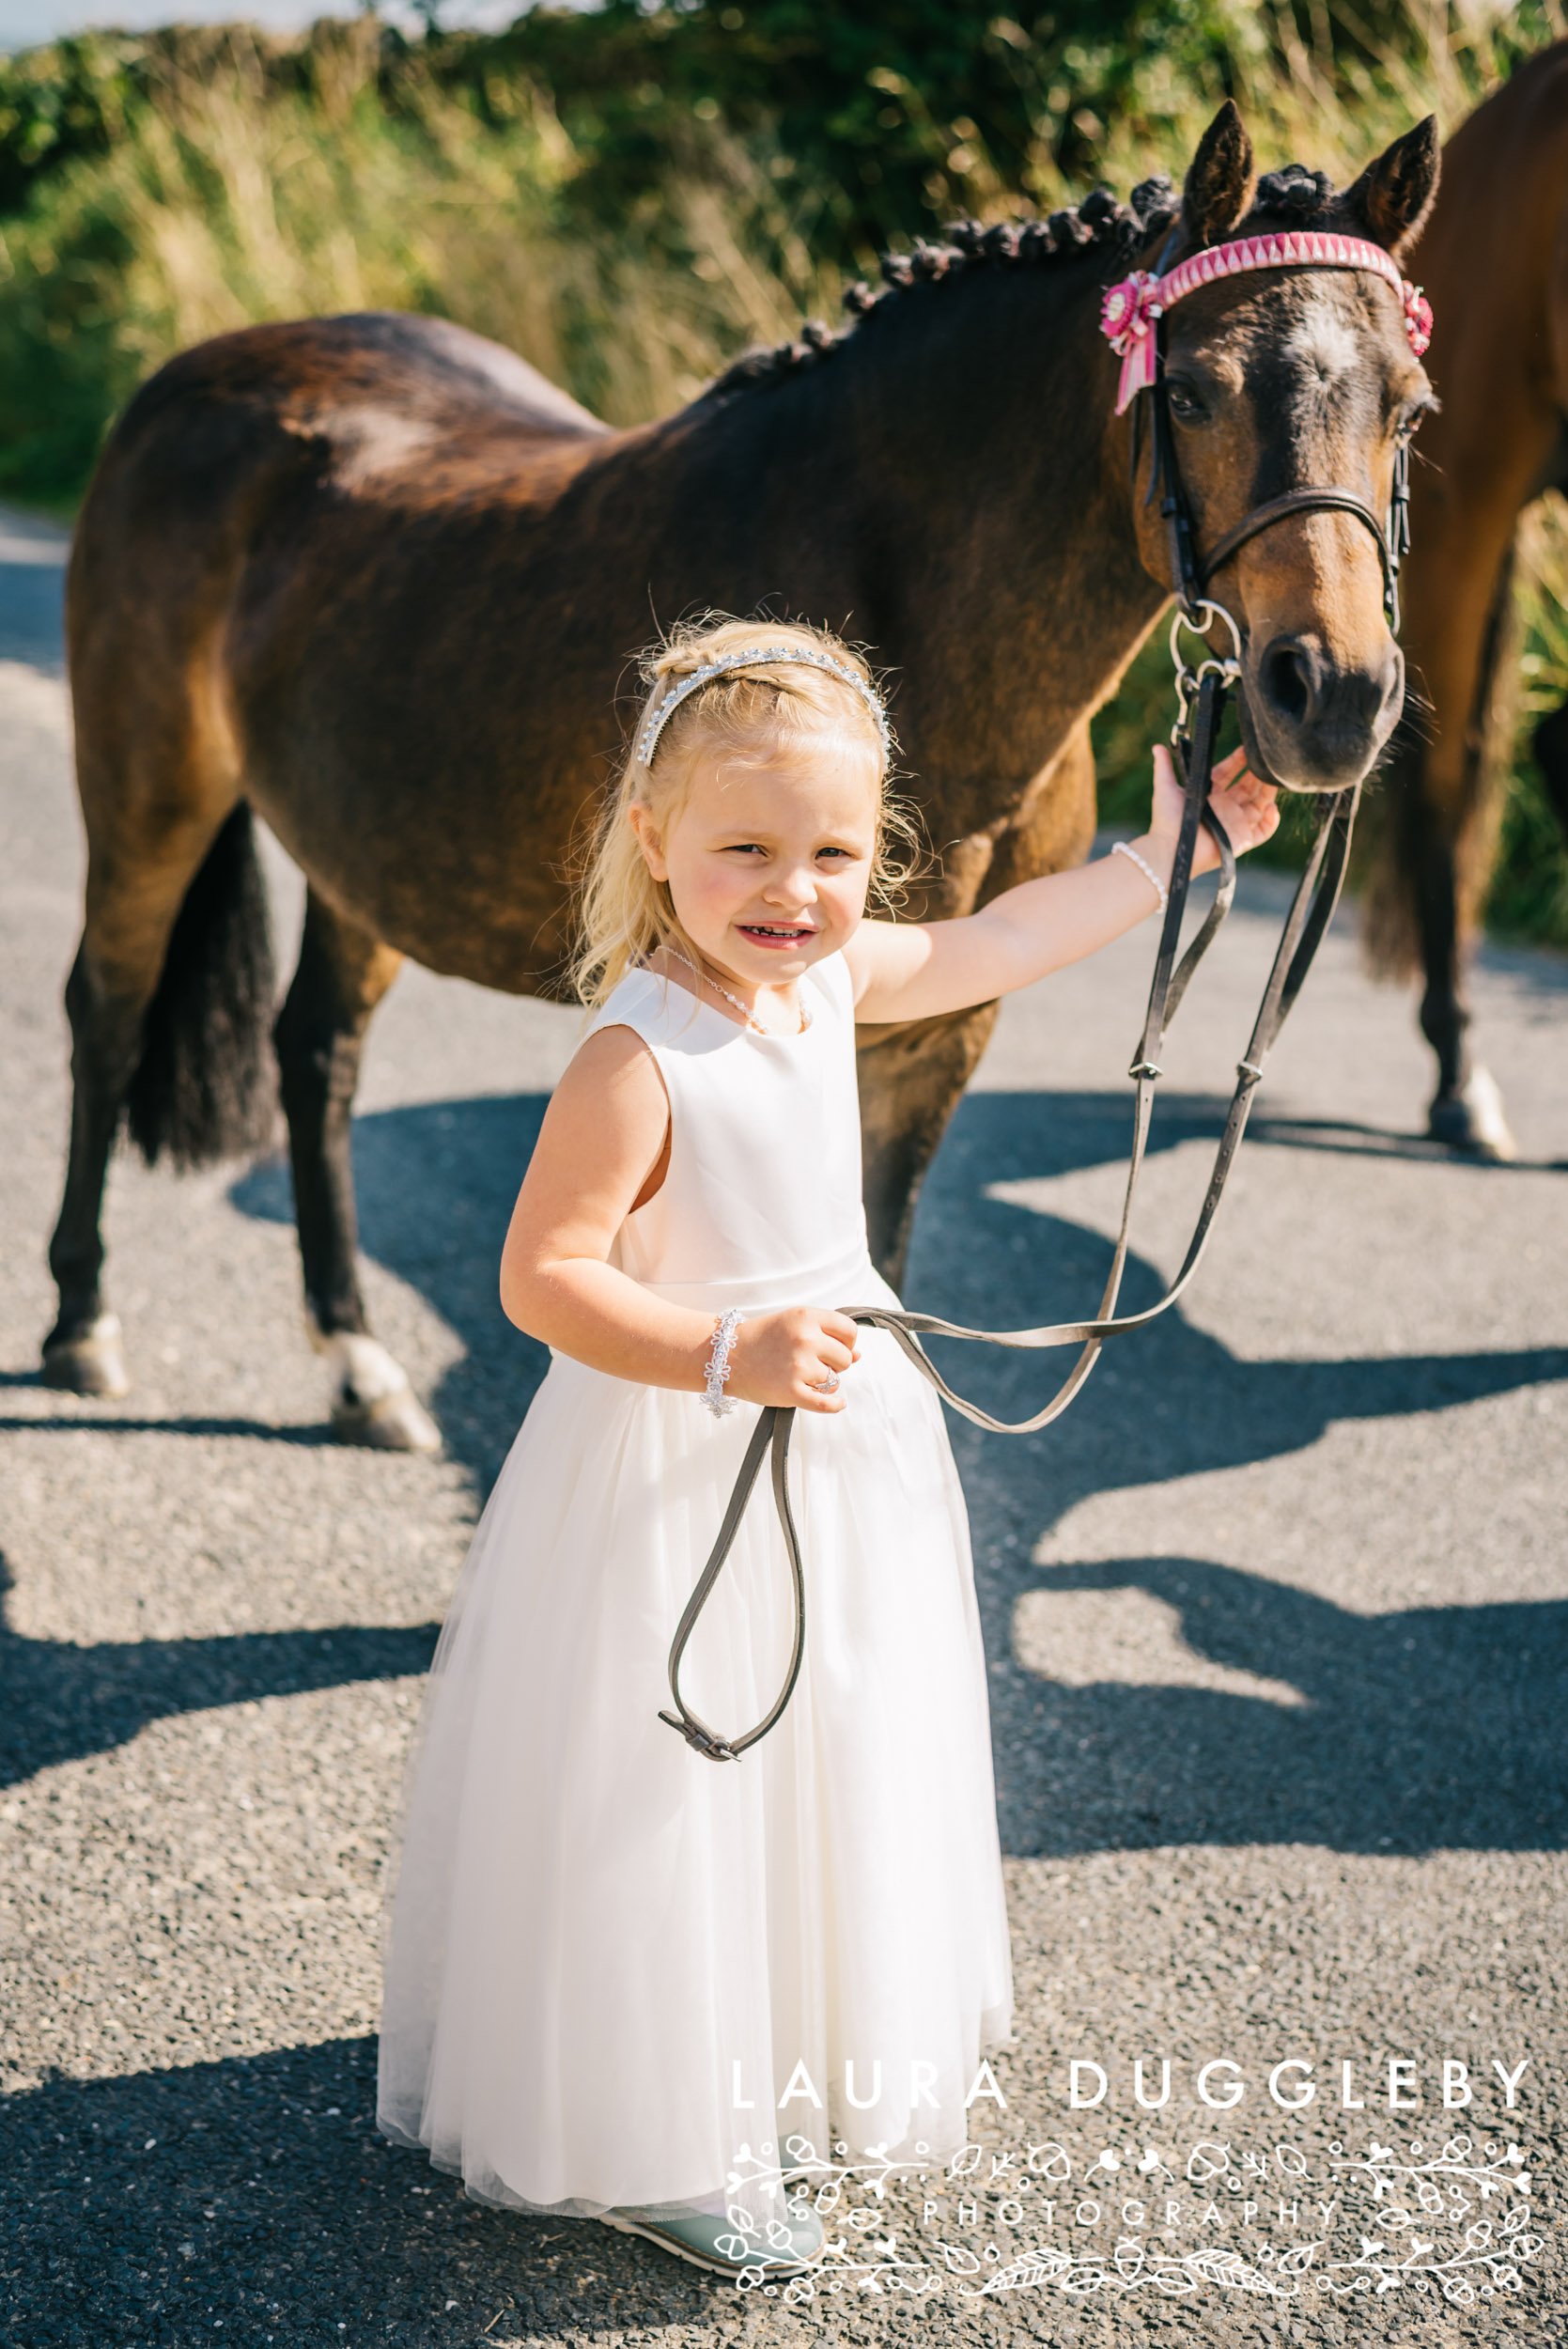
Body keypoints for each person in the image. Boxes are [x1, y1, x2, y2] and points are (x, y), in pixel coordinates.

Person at [374, 614, 1280, 2282]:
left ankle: (760, 2054)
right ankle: (650, 2126)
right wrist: (723, 1348)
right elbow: (542, 1279)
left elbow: (999, 938)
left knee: (831, 1744)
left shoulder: (825, 983)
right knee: (678, 1783)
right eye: (744, 850)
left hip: (841, 1434)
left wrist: (1170, 851)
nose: (793, 888)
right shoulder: (638, 1058)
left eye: (836, 852)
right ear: (651, 841)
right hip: (681, 1458)